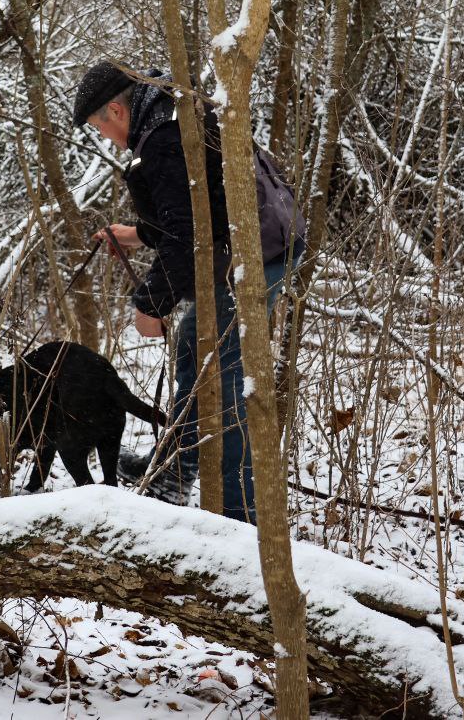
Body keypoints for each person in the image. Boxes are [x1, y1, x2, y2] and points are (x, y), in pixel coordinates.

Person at [72, 60, 302, 524]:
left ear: (115, 110)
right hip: (257, 244)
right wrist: (138, 233)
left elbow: (189, 235)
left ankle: (239, 513)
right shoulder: (172, 109)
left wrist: (151, 303)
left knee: (226, 379)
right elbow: (203, 206)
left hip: (252, 256)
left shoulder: (162, 139)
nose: (106, 138)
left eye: (101, 128)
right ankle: (177, 469)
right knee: (197, 358)